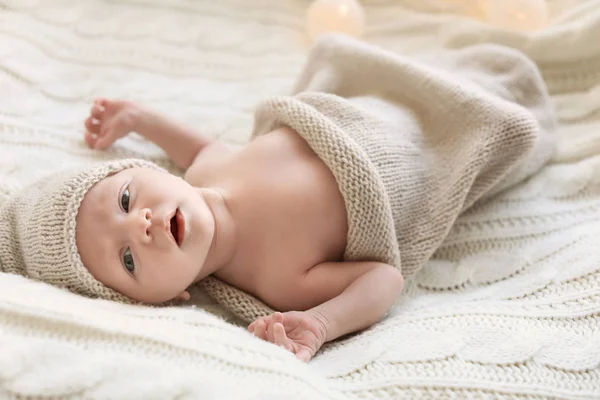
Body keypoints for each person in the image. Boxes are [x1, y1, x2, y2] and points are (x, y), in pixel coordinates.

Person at [0, 35, 555, 362]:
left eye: (125, 199)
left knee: (400, 82)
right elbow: (383, 277)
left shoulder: (209, 169)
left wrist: (139, 118)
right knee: (487, 125)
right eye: (127, 260)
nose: (140, 226)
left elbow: (200, 143)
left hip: (366, 120)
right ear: (165, 302)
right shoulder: (276, 280)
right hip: (415, 162)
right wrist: (325, 324)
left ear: (148, 172)